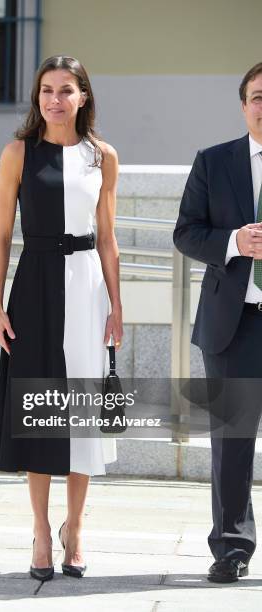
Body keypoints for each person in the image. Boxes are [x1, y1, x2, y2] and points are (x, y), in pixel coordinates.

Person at [0, 55, 123, 581]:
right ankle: (42, 533)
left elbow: (109, 239)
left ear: (83, 97)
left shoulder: (103, 157)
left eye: (66, 90)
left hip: (87, 288)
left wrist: (117, 305)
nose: (54, 99)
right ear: (37, 97)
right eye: (46, 90)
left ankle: (76, 529)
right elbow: (0, 235)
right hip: (35, 286)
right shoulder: (18, 153)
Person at [174, 62, 262, 583]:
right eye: (257, 96)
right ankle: (232, 548)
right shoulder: (214, 161)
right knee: (232, 443)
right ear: (243, 104)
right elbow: (186, 233)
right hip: (234, 324)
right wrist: (233, 242)